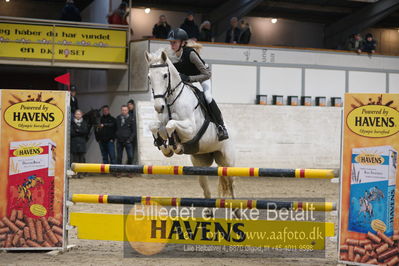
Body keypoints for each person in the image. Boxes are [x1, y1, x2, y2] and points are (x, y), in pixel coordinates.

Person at [166, 28, 229, 141]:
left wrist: (189, 78)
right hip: (187, 79)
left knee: (208, 97)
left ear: (182, 43)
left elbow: (207, 74)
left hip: (202, 76)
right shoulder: (172, 56)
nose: (172, 45)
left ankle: (221, 127)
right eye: (171, 42)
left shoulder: (190, 54)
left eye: (174, 42)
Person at [71, 110, 89, 178]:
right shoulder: (72, 123)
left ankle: (81, 173)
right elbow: (71, 133)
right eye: (77, 114)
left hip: (82, 143)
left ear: (81, 115)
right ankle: (75, 173)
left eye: (79, 114)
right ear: (75, 115)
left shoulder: (84, 122)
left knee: (81, 159)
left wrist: (77, 130)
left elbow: (85, 131)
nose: (78, 115)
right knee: (75, 159)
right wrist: (80, 131)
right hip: (74, 143)